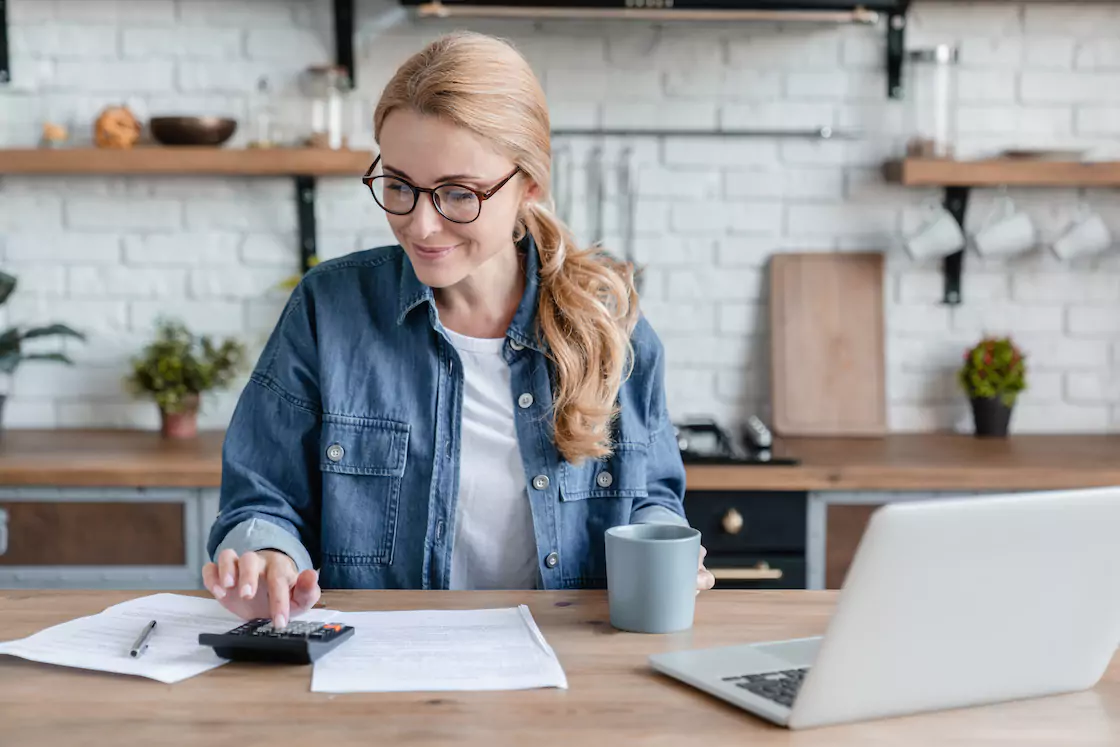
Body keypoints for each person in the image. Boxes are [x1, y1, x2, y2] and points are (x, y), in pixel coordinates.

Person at [202, 30, 715, 628]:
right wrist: (266, 555)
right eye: (397, 186)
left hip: (568, 669)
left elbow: (651, 495)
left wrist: (667, 544)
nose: (421, 225)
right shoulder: (329, 308)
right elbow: (263, 494)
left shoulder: (609, 320)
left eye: (457, 194)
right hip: (378, 668)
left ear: (529, 185)